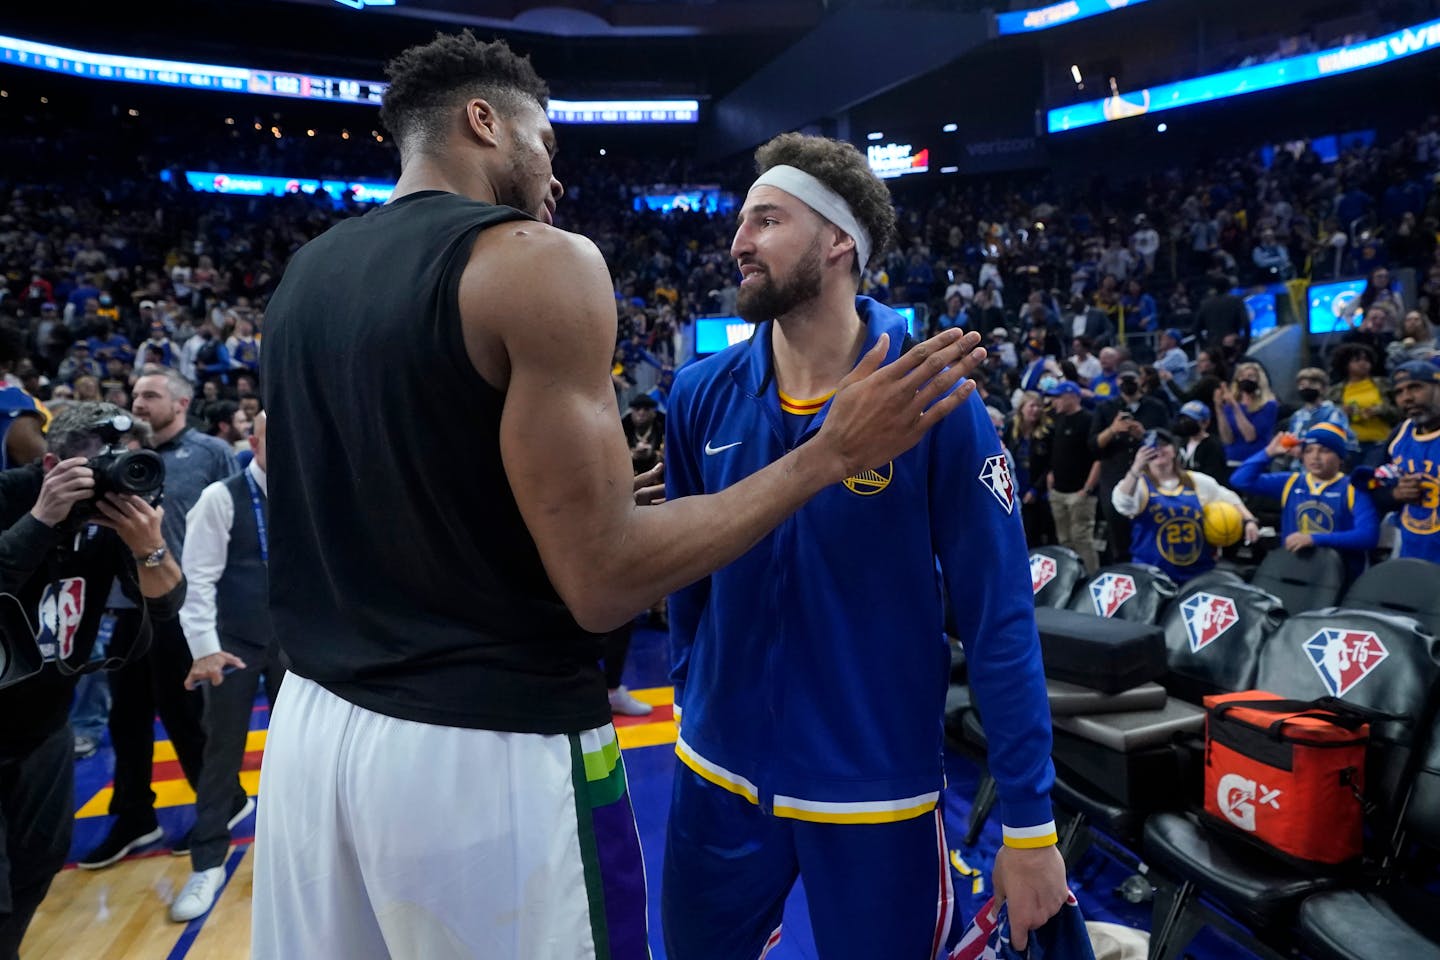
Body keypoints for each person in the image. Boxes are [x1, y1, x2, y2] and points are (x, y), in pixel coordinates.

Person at [254, 32, 985, 960]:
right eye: (547, 143)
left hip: (312, 733)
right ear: (486, 121)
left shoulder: (305, 277)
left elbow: (327, 477)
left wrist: (561, 508)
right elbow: (603, 585)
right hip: (477, 745)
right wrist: (826, 454)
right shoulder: (538, 258)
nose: (553, 171)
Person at [663, 132, 1066, 960]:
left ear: (839, 240)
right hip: (716, 777)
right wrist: (693, 685)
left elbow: (999, 619)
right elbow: (683, 565)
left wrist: (1029, 824)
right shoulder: (699, 393)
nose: (738, 241)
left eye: (766, 220)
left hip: (876, 798)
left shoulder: (936, 401)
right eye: (741, 221)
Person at [0, 402, 185, 954]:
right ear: (52, 462)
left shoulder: (116, 514)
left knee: (40, 862)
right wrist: (42, 520)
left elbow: (168, 603)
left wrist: (146, 545)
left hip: (46, 722)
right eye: (91, 469)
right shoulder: (12, 491)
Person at [78, 366, 241, 869]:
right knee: (125, 719)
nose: (138, 403)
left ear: (183, 403)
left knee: (186, 715)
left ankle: (224, 801)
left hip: (184, 607)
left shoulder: (213, 454)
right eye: (134, 394)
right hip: (130, 607)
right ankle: (133, 815)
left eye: (150, 394)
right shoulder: (118, 459)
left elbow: (240, 529)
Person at [169, 412, 280, 922]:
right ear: (251, 441)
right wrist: (205, 649)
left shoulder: (312, 491)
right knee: (222, 754)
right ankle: (208, 861)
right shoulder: (221, 497)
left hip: (296, 646)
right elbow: (198, 581)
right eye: (271, 434)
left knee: (301, 755)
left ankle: (294, 853)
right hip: (233, 644)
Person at [1230, 423, 1378, 581]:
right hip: (1296, 570)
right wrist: (1269, 452)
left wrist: (1313, 539)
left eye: (1325, 450)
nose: (1315, 456)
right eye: (1309, 450)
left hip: (1341, 576)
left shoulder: (1353, 488)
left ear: (1340, 457)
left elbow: (1368, 536)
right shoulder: (1290, 482)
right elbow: (1240, 480)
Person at [1112, 429, 1258, 584]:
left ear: (1174, 450)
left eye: (1164, 445)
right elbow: (1123, 503)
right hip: (1151, 575)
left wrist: (1249, 521)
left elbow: (1229, 498)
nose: (1158, 449)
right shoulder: (1137, 485)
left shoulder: (1197, 481)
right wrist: (1135, 469)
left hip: (1197, 573)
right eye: (1151, 446)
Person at [1090, 361, 1169, 563]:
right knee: (1117, 530)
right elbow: (1092, 446)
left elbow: (1168, 441)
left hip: (1150, 476)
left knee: (1151, 525)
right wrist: (1112, 430)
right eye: (1123, 379)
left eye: (1131, 379)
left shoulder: (1156, 407)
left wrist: (1144, 434)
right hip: (1114, 476)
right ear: (1117, 381)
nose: (1127, 383)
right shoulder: (1105, 408)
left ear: (1141, 380)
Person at [1366, 360, 1440, 563]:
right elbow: (1372, 486)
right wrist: (1395, 493)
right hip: (1411, 552)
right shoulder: (1400, 434)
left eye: (1415, 387)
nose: (1407, 398)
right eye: (1399, 392)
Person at [1045, 381, 1100, 571]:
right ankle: (1070, 577)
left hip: (1080, 492)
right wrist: (1051, 474)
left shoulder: (1089, 419)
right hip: (1059, 490)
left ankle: (1091, 578)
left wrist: (1087, 489)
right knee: (1064, 540)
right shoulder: (1058, 419)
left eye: (1058, 397)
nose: (1054, 401)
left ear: (1073, 397)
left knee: (1082, 540)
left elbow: (1098, 459)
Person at [1329, 343, 1399, 467]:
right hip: (1350, 446)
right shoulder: (1335, 391)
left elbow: (1400, 412)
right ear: (1346, 364)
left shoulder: (1383, 385)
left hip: (1379, 443)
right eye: (1357, 360)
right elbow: (1328, 418)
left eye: (1366, 360)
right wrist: (1342, 412)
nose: (1363, 363)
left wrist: (1381, 410)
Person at [1214, 360, 1278, 464]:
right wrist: (1219, 409)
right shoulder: (1230, 405)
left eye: (1251, 376)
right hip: (1232, 460)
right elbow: (1227, 439)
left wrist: (1235, 407)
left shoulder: (1268, 405)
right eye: (1242, 376)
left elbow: (1250, 436)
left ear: (1259, 380)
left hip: (1256, 461)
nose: (1245, 379)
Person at [1172, 399, 1229, 483]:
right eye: (1183, 419)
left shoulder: (1213, 446)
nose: (1185, 422)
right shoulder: (1181, 443)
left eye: (1190, 420)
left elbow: (1213, 477)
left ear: (1205, 422)